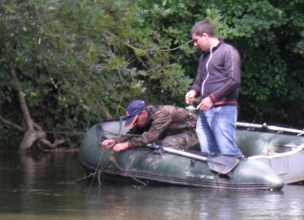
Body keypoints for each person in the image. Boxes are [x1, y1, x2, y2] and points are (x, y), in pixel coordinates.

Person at [185, 20, 243, 157]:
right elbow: (199, 81)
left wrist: (212, 98)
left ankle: (243, 172)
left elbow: (234, 80)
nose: (194, 44)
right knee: (208, 151)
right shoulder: (203, 58)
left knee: (227, 149)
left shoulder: (228, 52)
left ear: (205, 35)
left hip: (223, 109)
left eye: (195, 40)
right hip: (205, 111)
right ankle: (217, 175)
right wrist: (193, 91)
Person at [100, 99, 199, 152]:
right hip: (174, 130)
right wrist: (115, 141)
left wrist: (126, 145)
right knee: (157, 143)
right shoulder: (144, 118)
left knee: (167, 143)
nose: (135, 124)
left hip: (192, 130)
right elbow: (134, 134)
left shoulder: (162, 114)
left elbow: (150, 137)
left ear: (143, 114)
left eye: (135, 120)